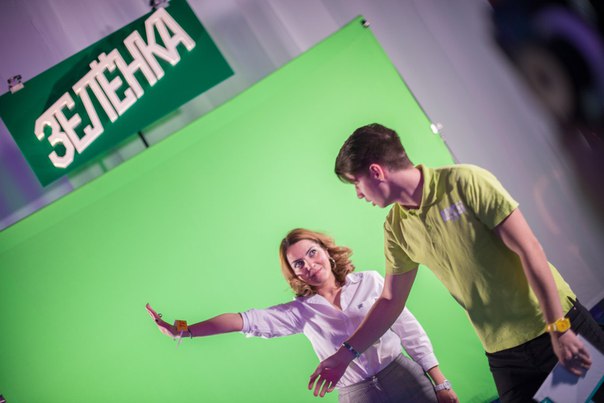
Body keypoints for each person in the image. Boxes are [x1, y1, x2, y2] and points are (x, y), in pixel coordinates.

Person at [308, 123, 604, 402]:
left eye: (356, 183)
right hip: (503, 352)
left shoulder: (466, 181)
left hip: (557, 323)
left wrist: (559, 328)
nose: (359, 194)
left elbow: (530, 250)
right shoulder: (395, 228)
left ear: (376, 172)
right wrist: (344, 356)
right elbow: (390, 300)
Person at [146, 228, 458, 403]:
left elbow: (410, 331)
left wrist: (441, 383)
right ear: (294, 273)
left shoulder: (371, 281)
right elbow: (242, 320)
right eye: (298, 264)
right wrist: (183, 329)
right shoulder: (300, 312)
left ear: (326, 251)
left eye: (312, 253)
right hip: (357, 395)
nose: (308, 264)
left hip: (404, 377)